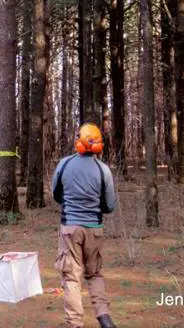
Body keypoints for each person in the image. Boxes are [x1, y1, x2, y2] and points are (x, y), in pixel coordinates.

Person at [51, 123, 117, 328]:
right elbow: (109, 206)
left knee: (71, 278)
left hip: (70, 228)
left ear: (79, 140)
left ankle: (75, 324)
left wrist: (73, 203)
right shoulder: (103, 169)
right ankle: (104, 318)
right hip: (94, 229)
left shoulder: (64, 164)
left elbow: (56, 195)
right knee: (94, 274)